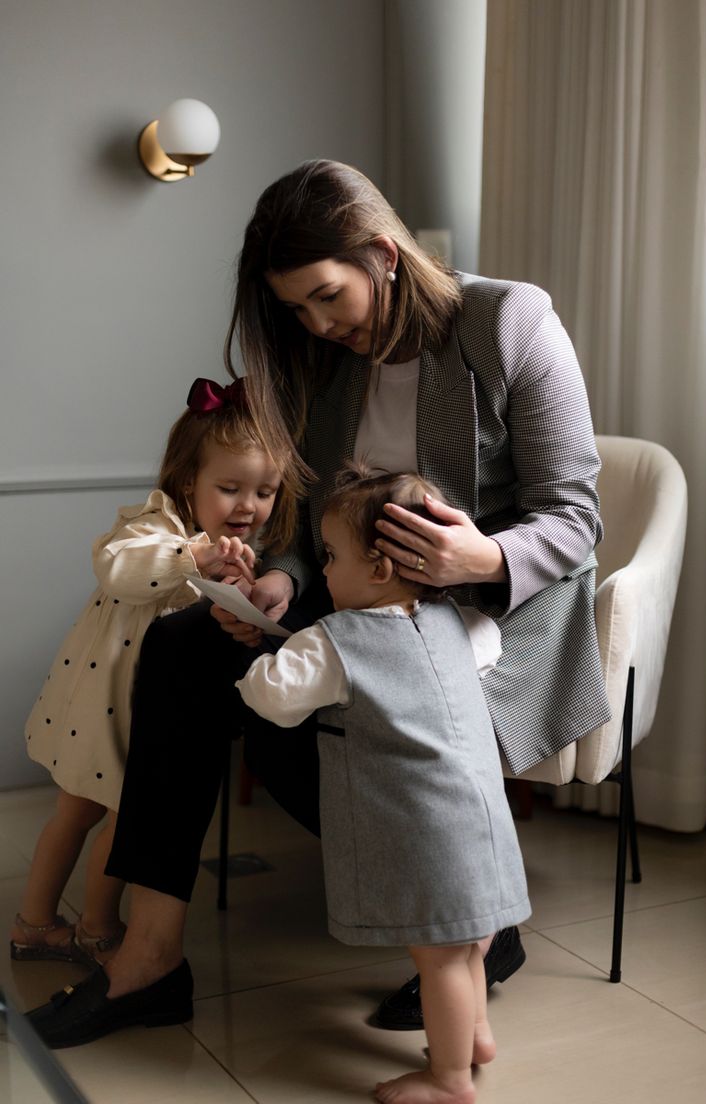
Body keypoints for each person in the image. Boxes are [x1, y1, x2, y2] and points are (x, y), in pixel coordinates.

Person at [27, 159, 609, 1050]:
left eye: (325, 296)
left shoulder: (507, 320)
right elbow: (314, 521)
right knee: (189, 648)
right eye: (295, 309)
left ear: (382, 253)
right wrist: (283, 580)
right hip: (364, 602)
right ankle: (147, 959)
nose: (316, 323)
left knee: (325, 697)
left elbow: (575, 515)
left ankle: (471, 921)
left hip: (494, 611)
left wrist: (481, 554)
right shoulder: (330, 363)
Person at [239, 465, 531, 1104]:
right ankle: (475, 1037)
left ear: (377, 569)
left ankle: (449, 1081)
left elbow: (274, 700)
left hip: (421, 833)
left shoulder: (333, 643)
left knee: (440, 961)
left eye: (332, 556)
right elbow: (492, 648)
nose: (326, 570)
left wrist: (257, 655)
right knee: (468, 944)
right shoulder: (461, 623)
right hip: (481, 816)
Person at [12, 376, 305, 969]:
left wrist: (242, 603)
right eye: (229, 488)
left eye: (266, 491)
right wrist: (192, 555)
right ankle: (71, 928)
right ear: (185, 480)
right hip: (107, 702)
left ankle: (48, 924)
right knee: (88, 815)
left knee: (117, 817)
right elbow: (118, 570)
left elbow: (218, 621)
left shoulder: (238, 547)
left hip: (151, 709)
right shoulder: (154, 527)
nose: (249, 506)